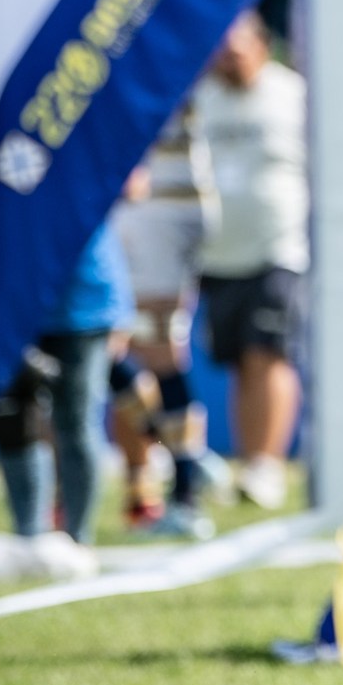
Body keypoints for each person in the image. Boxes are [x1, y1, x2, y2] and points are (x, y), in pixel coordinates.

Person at [194, 11, 308, 512]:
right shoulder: (199, 98)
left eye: (237, 49)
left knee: (268, 354)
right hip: (216, 252)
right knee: (240, 362)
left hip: (277, 247)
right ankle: (248, 461)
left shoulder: (293, 95)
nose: (229, 59)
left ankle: (267, 465)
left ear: (262, 45)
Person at [0, 220, 131, 545]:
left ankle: (78, 539)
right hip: (10, 294)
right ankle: (29, 536)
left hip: (81, 296)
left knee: (75, 421)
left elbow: (132, 191)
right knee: (11, 412)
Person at [112, 102, 218, 538]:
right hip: (123, 202)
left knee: (154, 349)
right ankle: (185, 459)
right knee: (102, 346)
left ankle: (186, 489)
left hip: (162, 205)